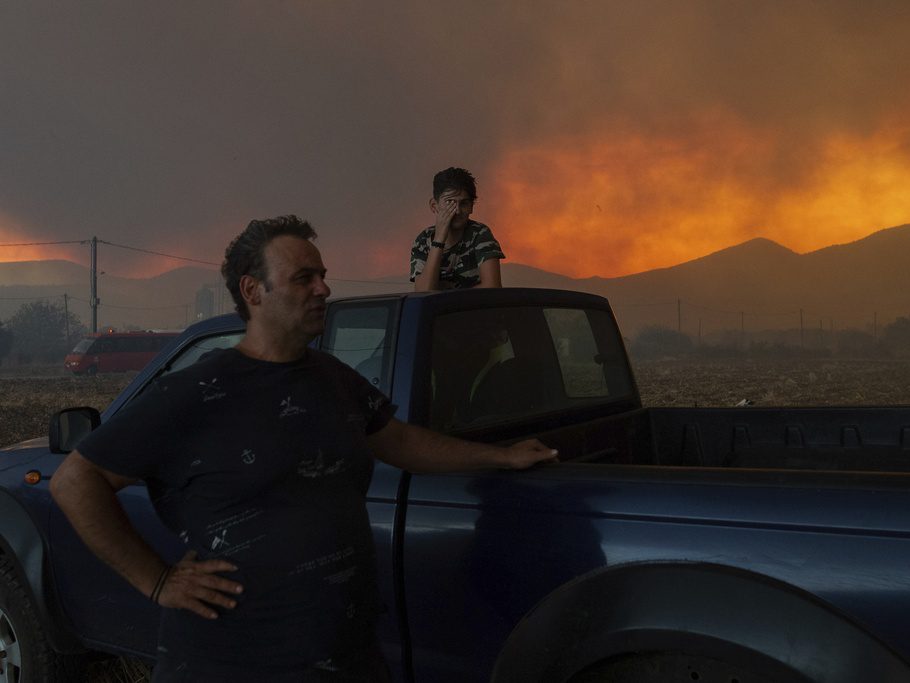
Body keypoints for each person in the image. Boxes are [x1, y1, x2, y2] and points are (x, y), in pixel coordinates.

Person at [50, 215, 556, 682]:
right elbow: (76, 480)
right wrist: (157, 582)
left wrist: (501, 456)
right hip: (233, 663)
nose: (323, 289)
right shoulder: (194, 392)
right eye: (303, 278)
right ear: (253, 291)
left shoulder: (333, 379)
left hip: (346, 654)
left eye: (322, 275)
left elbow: (399, 441)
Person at [410, 167, 504, 291]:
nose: (457, 210)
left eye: (464, 203)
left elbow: (493, 287)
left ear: (471, 207)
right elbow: (422, 292)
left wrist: (446, 295)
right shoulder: (424, 240)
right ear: (434, 206)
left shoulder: (479, 234)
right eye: (450, 202)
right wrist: (439, 239)